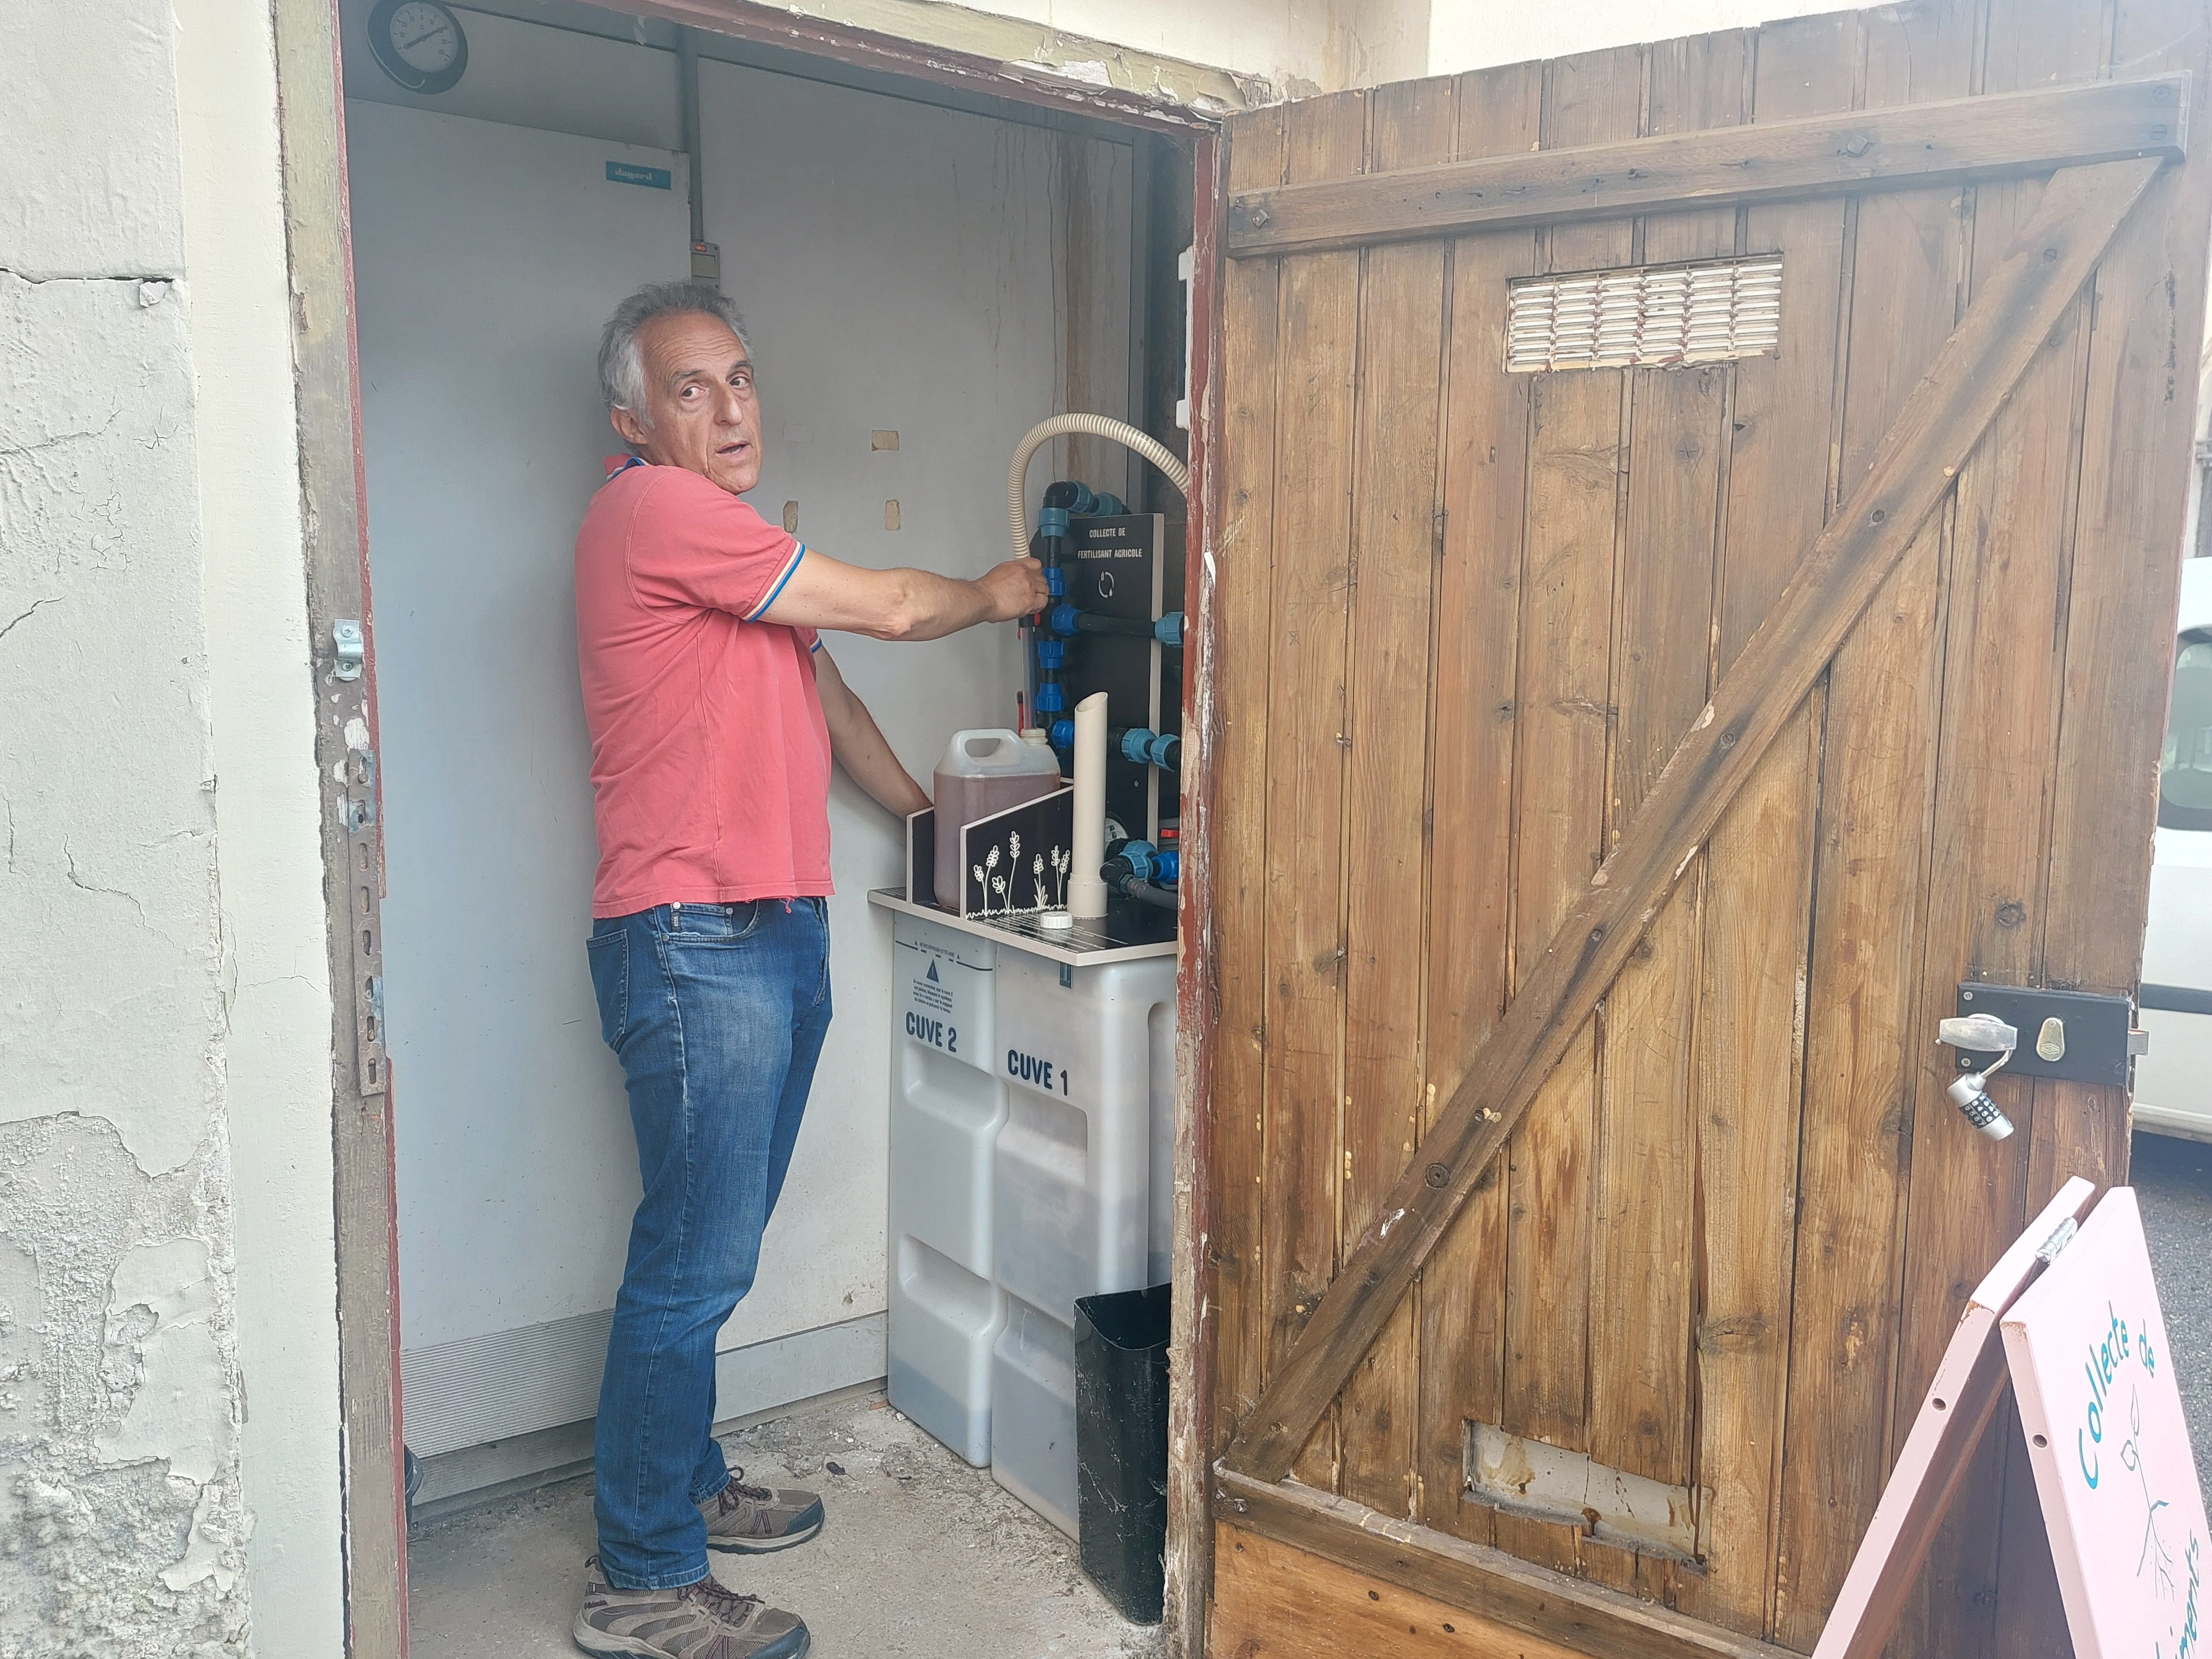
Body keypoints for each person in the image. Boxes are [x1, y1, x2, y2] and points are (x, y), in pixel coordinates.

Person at [569, 281, 1047, 1659]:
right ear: (632, 419)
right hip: (693, 939)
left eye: (741, 378)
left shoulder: (736, 546)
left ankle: (683, 1481)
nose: (729, 408)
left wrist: (929, 831)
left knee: (709, 1248)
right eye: (690, 389)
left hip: (770, 927)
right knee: (691, 1260)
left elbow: (830, 699)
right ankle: (641, 1575)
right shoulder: (649, 514)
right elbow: (898, 611)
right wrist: (995, 594)